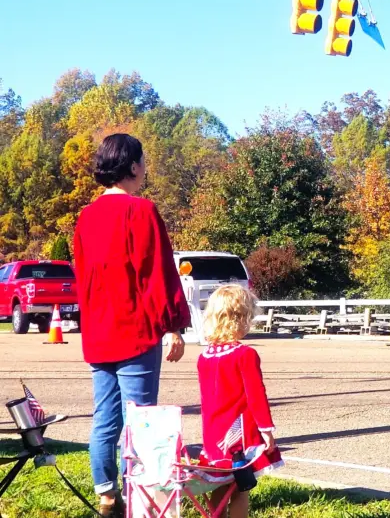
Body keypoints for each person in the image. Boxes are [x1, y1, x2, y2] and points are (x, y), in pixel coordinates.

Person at [73, 133, 190, 518]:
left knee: (105, 418)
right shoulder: (141, 211)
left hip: (99, 332)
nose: (144, 168)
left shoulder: (86, 217)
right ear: (133, 165)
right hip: (135, 332)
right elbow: (156, 273)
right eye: (143, 161)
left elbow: (84, 279)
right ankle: (141, 495)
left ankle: (107, 494)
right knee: (141, 419)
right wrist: (172, 324)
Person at [198, 285, 282, 517]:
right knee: (240, 486)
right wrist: (266, 430)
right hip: (239, 434)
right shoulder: (245, 354)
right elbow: (256, 395)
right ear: (242, 319)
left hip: (214, 434)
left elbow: (206, 399)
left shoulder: (205, 357)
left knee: (219, 485)